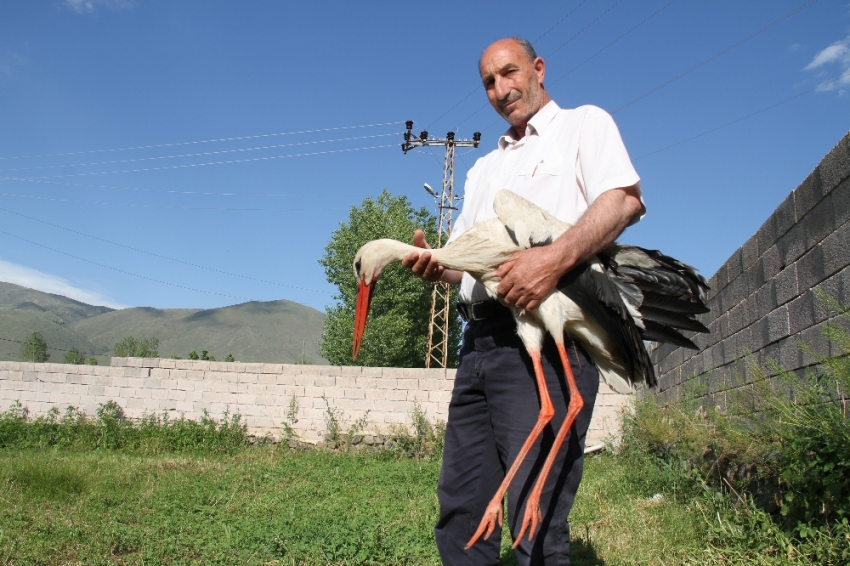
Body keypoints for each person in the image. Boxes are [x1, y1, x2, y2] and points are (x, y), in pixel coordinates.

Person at [401, 37, 645, 565]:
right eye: (489, 82)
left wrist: (552, 261)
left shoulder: (583, 126)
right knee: (461, 508)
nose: (499, 89)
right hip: (479, 342)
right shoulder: (482, 170)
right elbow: (466, 266)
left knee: (536, 521)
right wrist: (434, 265)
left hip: (548, 330)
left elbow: (623, 199)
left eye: (508, 73)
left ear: (538, 69)